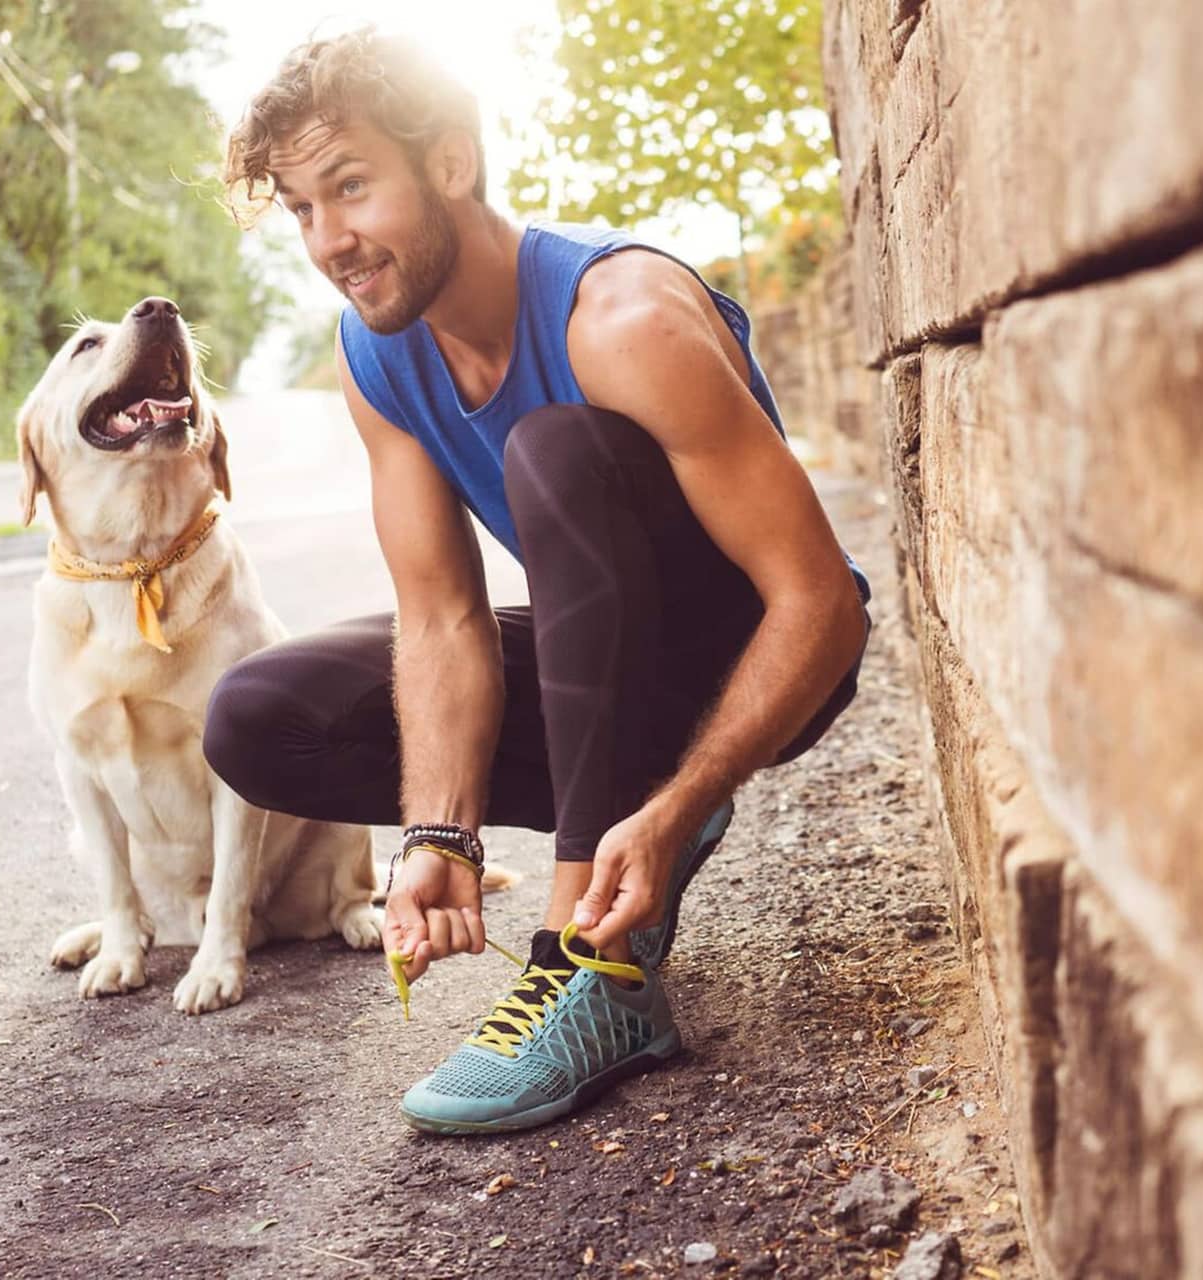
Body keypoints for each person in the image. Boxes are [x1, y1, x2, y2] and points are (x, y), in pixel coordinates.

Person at [204, 28, 871, 1135]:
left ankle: (589, 968)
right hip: (604, 657)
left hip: (752, 655)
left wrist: (679, 801)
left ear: (450, 163)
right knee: (261, 717)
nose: (329, 239)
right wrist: (438, 836)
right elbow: (442, 617)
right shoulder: (375, 353)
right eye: (301, 209)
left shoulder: (623, 317)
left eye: (351, 188)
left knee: (553, 452)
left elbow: (823, 605)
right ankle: (616, 829)